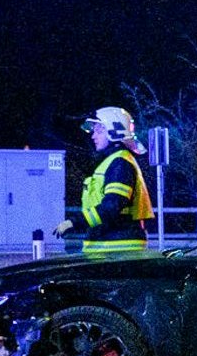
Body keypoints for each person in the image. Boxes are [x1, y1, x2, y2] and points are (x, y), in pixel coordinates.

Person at [56, 107, 153, 259]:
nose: (93, 136)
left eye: (99, 130)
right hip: (110, 246)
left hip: (117, 248)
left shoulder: (120, 163)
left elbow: (111, 206)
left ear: (114, 132)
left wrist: (74, 222)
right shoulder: (112, 162)